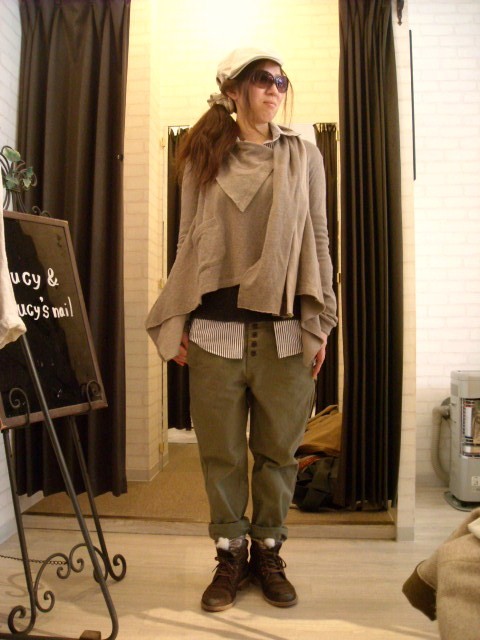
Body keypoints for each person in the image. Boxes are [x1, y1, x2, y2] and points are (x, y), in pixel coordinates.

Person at [146, 46, 337, 612]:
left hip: (284, 332)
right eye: (262, 79)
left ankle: (268, 553)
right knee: (222, 455)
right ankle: (230, 555)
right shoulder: (203, 153)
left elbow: (319, 239)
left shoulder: (304, 155)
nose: (275, 88)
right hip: (214, 333)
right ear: (233, 90)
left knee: (278, 455)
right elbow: (187, 241)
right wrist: (178, 317)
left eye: (281, 80)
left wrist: (322, 322)